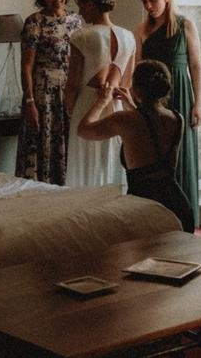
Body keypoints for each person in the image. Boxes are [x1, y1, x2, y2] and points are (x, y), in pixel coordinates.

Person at [77, 59, 194, 232]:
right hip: (178, 208)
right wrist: (132, 105)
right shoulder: (177, 119)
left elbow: (83, 130)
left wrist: (102, 100)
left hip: (145, 208)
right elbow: (149, 126)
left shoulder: (124, 120)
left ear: (137, 89)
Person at [134, 0, 201, 229]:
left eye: (152, 0)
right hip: (152, 100)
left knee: (181, 154)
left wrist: (198, 103)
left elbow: (196, 66)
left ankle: (186, 220)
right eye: (144, 1)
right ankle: (158, 221)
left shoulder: (185, 26)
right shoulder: (142, 30)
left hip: (180, 96)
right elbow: (138, 68)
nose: (148, 6)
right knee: (155, 157)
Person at [64, 0, 136, 188]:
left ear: (91, 4)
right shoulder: (129, 37)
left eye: (81, 6)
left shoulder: (81, 36)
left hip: (87, 106)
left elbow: (73, 83)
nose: (80, 13)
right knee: (110, 161)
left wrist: (69, 109)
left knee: (85, 163)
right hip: (116, 105)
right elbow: (126, 83)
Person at [15, 0, 83, 184]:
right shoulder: (34, 22)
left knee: (67, 142)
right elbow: (26, 66)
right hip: (43, 93)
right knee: (41, 143)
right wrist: (29, 102)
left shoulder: (76, 21)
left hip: (70, 89)